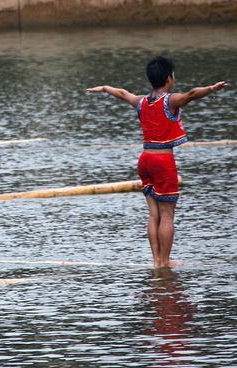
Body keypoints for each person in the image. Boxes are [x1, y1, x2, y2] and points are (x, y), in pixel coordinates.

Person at [88, 56, 226, 268]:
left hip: (144, 160)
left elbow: (123, 93)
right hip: (163, 161)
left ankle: (157, 261)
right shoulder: (169, 100)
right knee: (167, 214)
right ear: (169, 78)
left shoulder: (142, 101)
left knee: (154, 213)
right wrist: (211, 88)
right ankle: (164, 261)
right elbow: (191, 95)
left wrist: (106, 88)